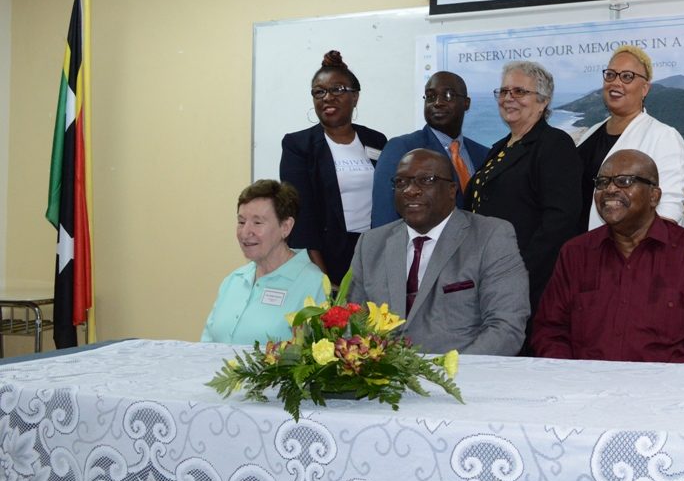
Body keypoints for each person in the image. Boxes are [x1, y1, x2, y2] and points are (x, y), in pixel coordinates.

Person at [532, 150, 684, 362]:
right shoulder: (576, 253)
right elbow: (550, 330)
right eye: (602, 182)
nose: (610, 189)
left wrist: (666, 379)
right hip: (583, 380)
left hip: (669, 381)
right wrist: (571, 374)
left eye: (624, 181)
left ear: (654, 196)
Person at [348, 149, 530, 355]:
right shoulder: (371, 243)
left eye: (426, 180)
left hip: (462, 370)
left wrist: (451, 370)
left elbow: (506, 327)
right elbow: (352, 325)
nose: (410, 190)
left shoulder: (490, 236)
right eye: (401, 182)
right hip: (384, 371)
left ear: (452, 190)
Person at [465, 61, 582, 327]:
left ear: (543, 101)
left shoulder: (554, 145)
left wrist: (517, 273)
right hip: (488, 277)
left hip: (531, 284)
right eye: (504, 91)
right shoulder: (499, 148)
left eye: (519, 91)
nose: (508, 98)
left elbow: (559, 222)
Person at [280, 51, 387, 285]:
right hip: (325, 255)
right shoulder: (298, 145)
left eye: (337, 90)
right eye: (319, 92)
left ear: (355, 96)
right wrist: (321, 278)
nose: (327, 98)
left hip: (374, 251)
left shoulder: (377, 141)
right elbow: (302, 216)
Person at [575, 44, 684, 231]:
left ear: (644, 88)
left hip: (628, 246)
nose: (615, 82)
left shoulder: (663, 136)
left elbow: (669, 207)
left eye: (627, 76)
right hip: (582, 243)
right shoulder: (591, 132)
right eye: (610, 75)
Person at [201, 180, 327, 344]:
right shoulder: (233, 280)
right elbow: (207, 344)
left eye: (257, 222)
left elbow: (317, 352)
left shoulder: (314, 284)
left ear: (286, 227)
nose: (245, 232)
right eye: (241, 222)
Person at [370, 71, 487, 227]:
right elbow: (384, 217)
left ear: (466, 103)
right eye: (430, 96)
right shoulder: (402, 148)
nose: (437, 103)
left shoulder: (484, 154)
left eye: (448, 95)